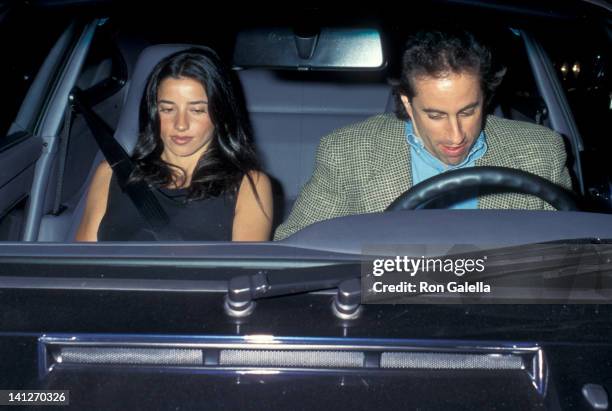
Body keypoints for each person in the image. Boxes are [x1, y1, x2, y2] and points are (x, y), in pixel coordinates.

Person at [274, 29, 572, 240]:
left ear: (485, 97)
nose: (456, 135)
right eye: (436, 115)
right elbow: (296, 251)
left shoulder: (541, 152)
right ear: (407, 102)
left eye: (468, 111)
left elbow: (573, 265)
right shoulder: (348, 152)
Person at [76, 48, 273, 241]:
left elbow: (243, 271)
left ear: (220, 114)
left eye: (197, 110)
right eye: (168, 109)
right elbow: (80, 265)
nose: (180, 124)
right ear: (153, 113)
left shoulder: (249, 184)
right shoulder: (112, 173)